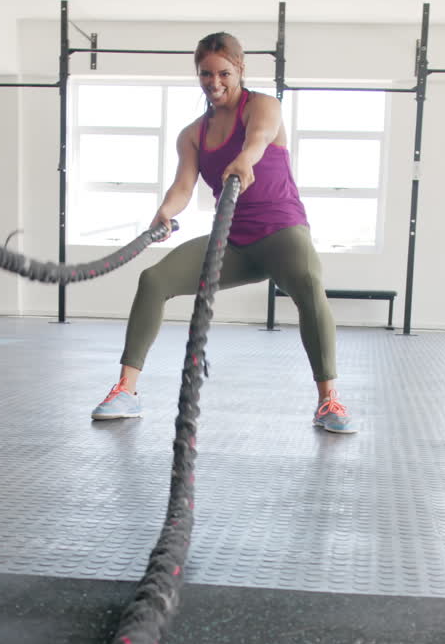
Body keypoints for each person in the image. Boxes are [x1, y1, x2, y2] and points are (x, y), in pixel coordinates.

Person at [91, 31, 355, 433]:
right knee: (154, 279)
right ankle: (126, 391)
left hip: (281, 231)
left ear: (240, 69)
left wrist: (245, 160)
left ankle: (329, 401)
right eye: (205, 74)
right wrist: (165, 212)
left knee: (307, 282)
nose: (214, 82)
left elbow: (258, 139)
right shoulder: (192, 135)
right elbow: (183, 187)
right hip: (231, 240)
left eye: (223, 73)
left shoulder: (263, 106)